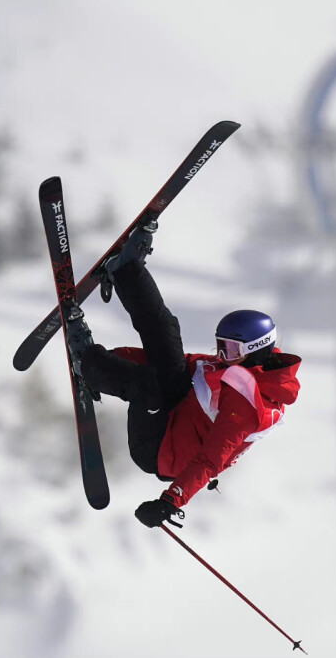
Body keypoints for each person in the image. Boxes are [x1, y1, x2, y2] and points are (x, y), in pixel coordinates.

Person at [65, 217, 301, 528]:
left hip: (160, 449)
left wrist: (169, 502)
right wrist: (112, 359)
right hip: (177, 411)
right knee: (166, 332)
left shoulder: (247, 406)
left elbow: (210, 460)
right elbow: (170, 360)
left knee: (150, 387)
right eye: (220, 347)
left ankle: (85, 364)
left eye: (229, 350)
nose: (221, 356)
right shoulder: (236, 366)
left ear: (254, 349)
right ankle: (126, 269)